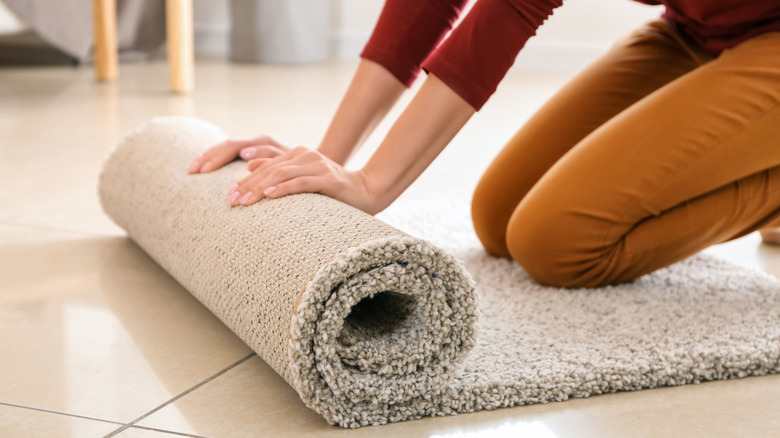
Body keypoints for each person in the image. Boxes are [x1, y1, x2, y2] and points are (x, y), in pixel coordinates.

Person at [188, 0, 780, 288]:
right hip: (698, 30)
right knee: (498, 221)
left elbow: (508, 8)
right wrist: (327, 163)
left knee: (557, 244)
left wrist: (375, 185)